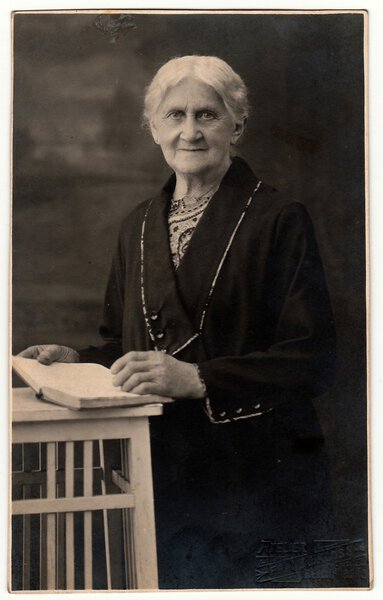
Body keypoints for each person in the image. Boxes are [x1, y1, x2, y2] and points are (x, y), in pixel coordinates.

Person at [20, 55, 336, 589]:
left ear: (237, 124)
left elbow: (315, 360)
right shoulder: (137, 225)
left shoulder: (278, 219)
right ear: (153, 128)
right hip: (156, 468)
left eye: (208, 115)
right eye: (175, 116)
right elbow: (124, 345)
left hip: (257, 476)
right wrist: (77, 359)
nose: (189, 131)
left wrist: (198, 378)